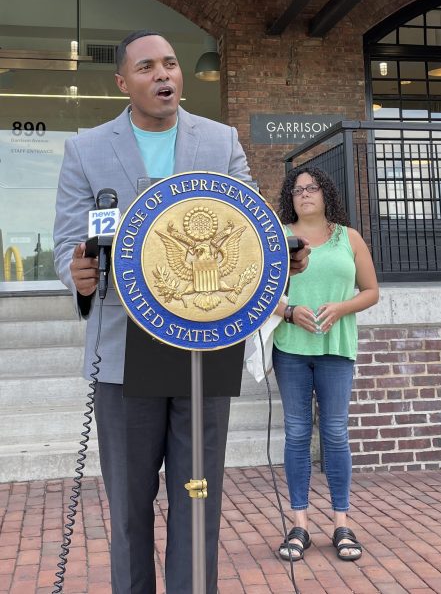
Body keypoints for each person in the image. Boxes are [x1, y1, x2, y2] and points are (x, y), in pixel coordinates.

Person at [52, 30, 309, 593]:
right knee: (129, 505)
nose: (163, 74)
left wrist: (280, 255)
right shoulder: (87, 148)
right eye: (147, 67)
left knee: (199, 500)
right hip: (123, 351)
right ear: (123, 82)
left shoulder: (219, 141)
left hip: (206, 346)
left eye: (170, 63)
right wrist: (76, 274)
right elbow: (65, 243)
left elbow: (248, 227)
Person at [272, 166, 379, 562]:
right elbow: (258, 292)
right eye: (297, 189)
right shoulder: (278, 237)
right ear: (290, 197)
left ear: (326, 193)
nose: (305, 193)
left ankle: (341, 523)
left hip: (337, 348)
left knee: (335, 434)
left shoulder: (348, 237)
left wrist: (341, 307)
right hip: (291, 349)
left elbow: (371, 292)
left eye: (312, 186)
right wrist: (289, 311)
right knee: (297, 433)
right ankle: (299, 524)